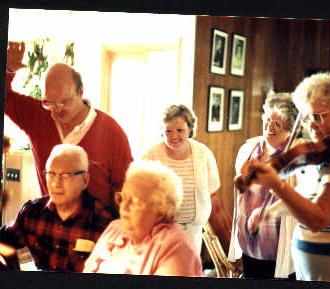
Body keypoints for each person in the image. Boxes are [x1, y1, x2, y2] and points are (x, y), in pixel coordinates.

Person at [238, 72, 330, 282]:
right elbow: (309, 195)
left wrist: (276, 184)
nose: (310, 125)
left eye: (318, 116)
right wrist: (270, 211)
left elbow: (318, 218)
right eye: (306, 118)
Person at [5, 42, 133, 210]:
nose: (57, 109)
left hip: (97, 229)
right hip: (50, 224)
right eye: (50, 103)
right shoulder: (37, 117)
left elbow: (125, 188)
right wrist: (7, 70)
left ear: (80, 91)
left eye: (65, 102)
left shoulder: (111, 131)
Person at [0, 144, 116, 272]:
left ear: (85, 180)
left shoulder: (106, 221)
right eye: (51, 174)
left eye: (65, 176)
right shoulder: (32, 212)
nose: (56, 183)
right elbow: (5, 239)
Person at [83, 160, 203, 276]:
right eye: (123, 198)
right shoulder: (115, 229)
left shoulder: (177, 248)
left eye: (135, 202)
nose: (124, 208)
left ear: (161, 210)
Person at [142, 104, 232, 255]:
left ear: (190, 129)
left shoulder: (203, 153)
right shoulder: (151, 155)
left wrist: (229, 244)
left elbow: (215, 197)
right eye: (168, 131)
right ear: (161, 132)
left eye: (180, 130)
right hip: (159, 234)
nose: (174, 136)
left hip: (193, 233)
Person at [229, 92, 299, 279]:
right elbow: (241, 199)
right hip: (249, 248)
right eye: (268, 119)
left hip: (280, 253)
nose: (270, 126)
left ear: (290, 128)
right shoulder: (248, 150)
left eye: (278, 124)